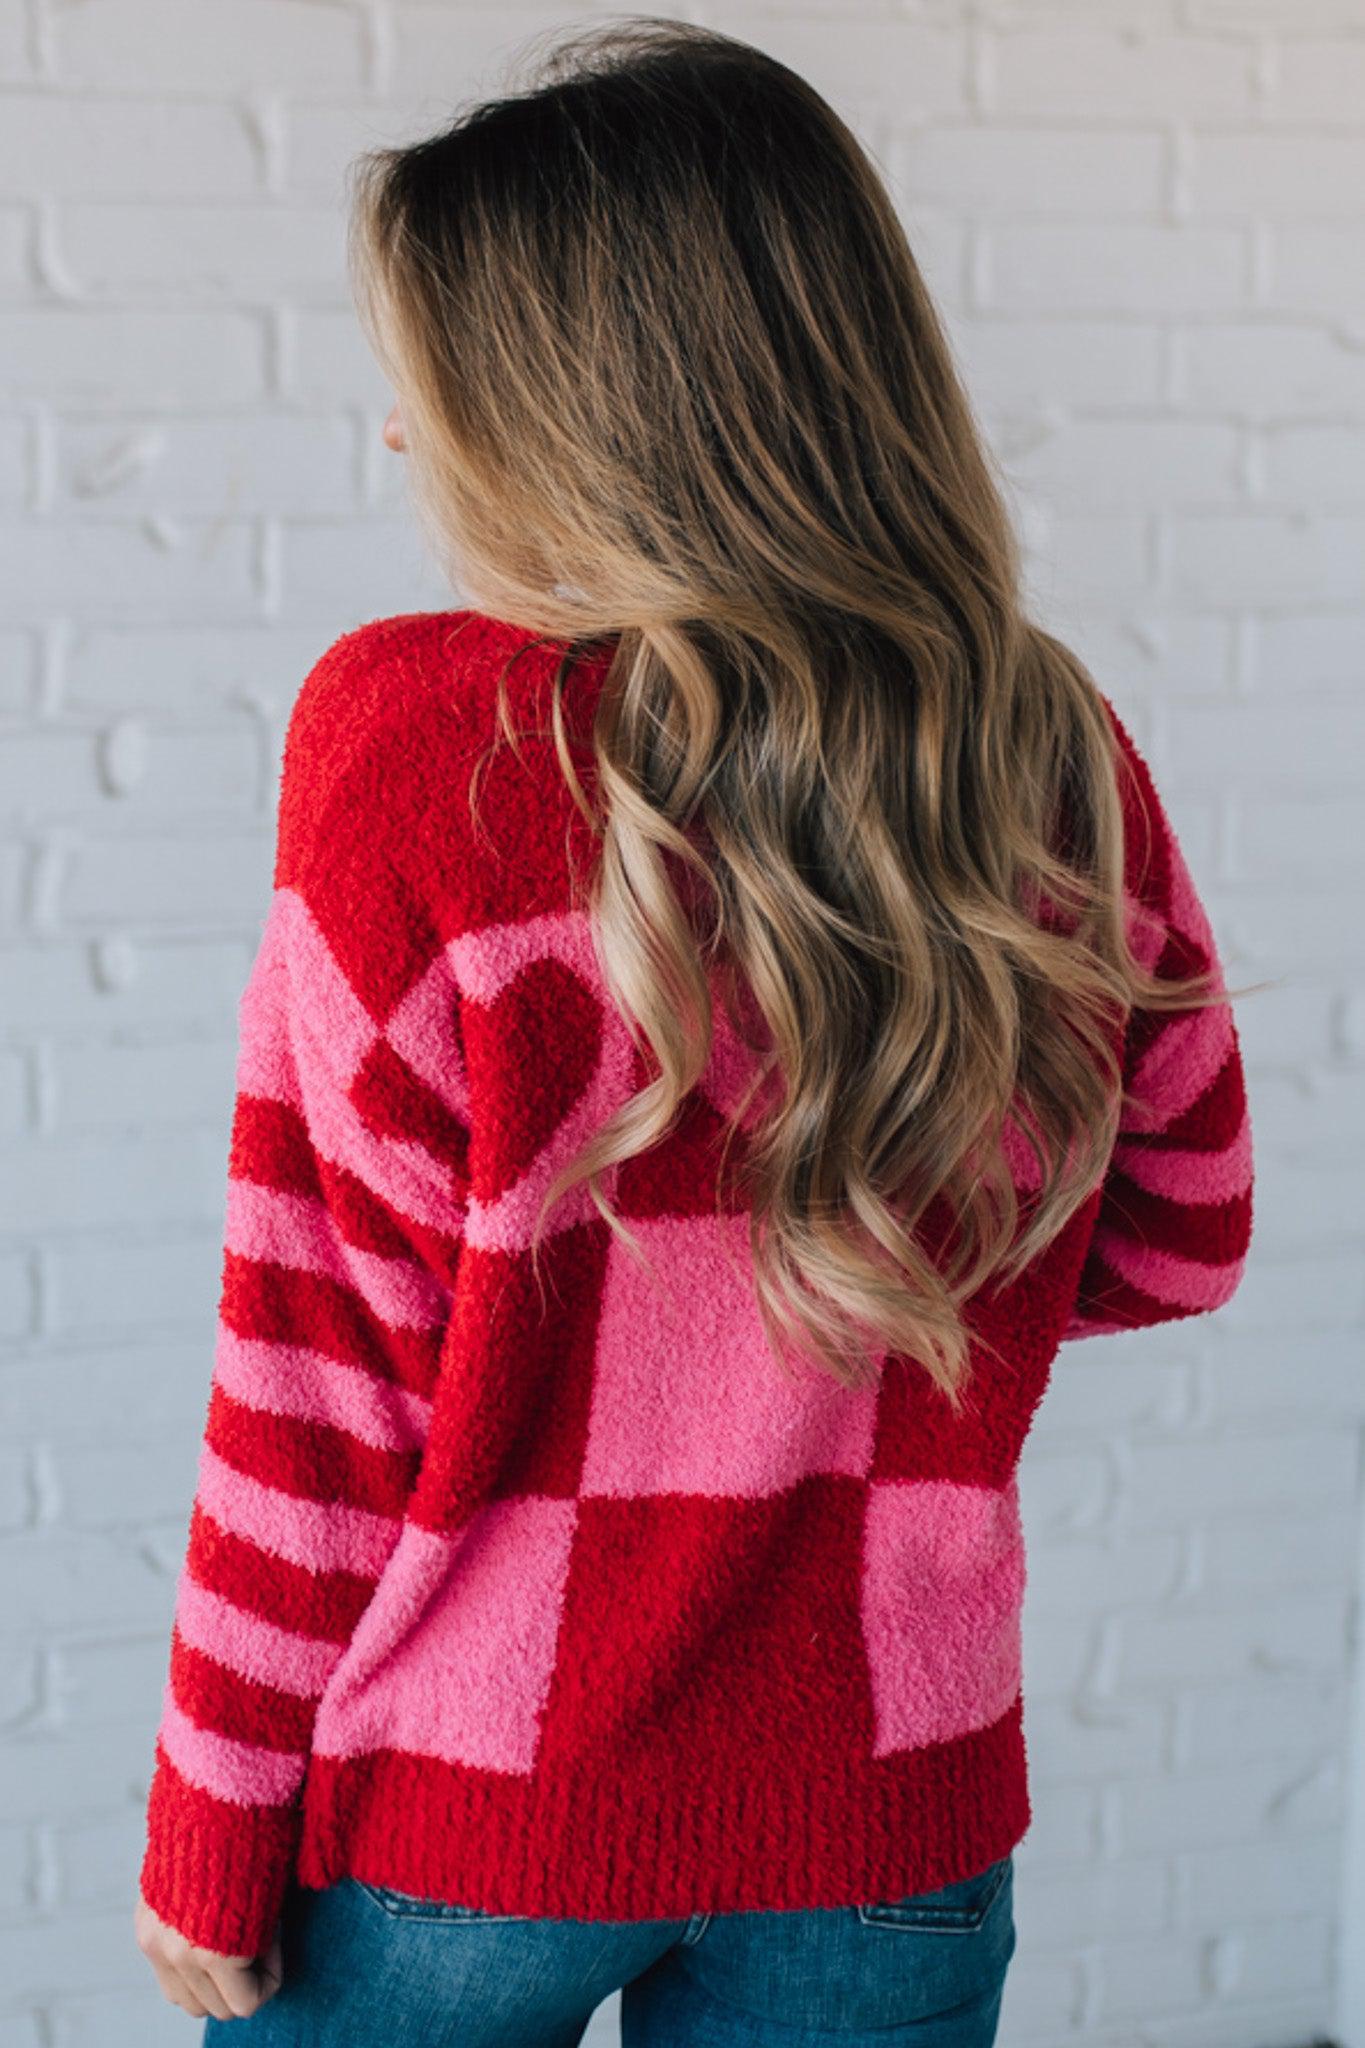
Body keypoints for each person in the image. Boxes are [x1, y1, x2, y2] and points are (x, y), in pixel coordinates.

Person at [131, 17, 1259, 2044]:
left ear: (575, 415)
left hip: (460, 1835)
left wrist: (208, 1823)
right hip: (890, 1818)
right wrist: (833, 1341)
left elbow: (312, 1386)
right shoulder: (1039, 743)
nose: (403, 440)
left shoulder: (411, 754)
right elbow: (1176, 1236)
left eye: (433, 386)